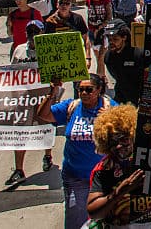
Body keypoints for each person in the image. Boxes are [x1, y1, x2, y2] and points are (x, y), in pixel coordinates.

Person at [36, 74, 114, 229]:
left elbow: (126, 137)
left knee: (102, 220)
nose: (84, 93)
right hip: (75, 177)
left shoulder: (110, 108)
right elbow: (43, 115)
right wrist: (52, 92)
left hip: (102, 179)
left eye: (89, 89)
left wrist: (109, 121)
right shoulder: (71, 107)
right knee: (75, 220)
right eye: (81, 89)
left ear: (98, 90)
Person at [86, 104, 151, 228]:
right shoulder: (104, 169)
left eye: (123, 139)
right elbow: (93, 212)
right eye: (113, 142)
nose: (119, 146)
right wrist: (120, 191)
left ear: (133, 137)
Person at [7, 20, 52, 184]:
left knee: (45, 128)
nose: (33, 35)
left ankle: (48, 155)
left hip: (43, 96)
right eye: (30, 31)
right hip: (23, 97)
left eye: (36, 31)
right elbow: (10, 73)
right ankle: (19, 169)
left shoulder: (48, 50)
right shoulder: (19, 50)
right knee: (20, 133)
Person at [102, 20, 144, 105]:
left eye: (115, 39)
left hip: (140, 97)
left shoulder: (138, 53)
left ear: (124, 37)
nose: (111, 42)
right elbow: (116, 76)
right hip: (121, 96)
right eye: (109, 39)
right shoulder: (108, 57)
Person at [45, 0, 92, 69]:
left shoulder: (78, 19)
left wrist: (88, 58)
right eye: (61, 3)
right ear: (57, 5)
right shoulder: (51, 21)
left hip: (76, 57)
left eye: (67, 3)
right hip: (58, 59)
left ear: (70, 5)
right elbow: (47, 43)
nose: (64, 6)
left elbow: (86, 39)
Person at [84, 0, 113, 69]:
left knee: (101, 57)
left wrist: (99, 27)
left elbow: (109, 17)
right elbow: (73, 2)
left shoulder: (106, 1)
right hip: (92, 32)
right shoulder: (88, 1)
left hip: (103, 32)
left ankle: (101, 78)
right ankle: (102, 77)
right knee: (98, 58)